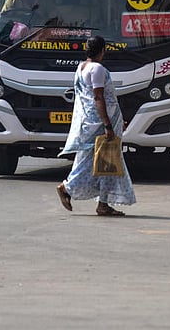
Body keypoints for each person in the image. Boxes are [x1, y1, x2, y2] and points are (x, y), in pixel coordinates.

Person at [56, 36, 136, 216]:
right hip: (98, 123)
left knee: (107, 162)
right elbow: (98, 98)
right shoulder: (97, 69)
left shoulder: (81, 67)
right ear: (102, 50)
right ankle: (67, 187)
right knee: (94, 161)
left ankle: (103, 204)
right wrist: (108, 124)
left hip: (91, 120)